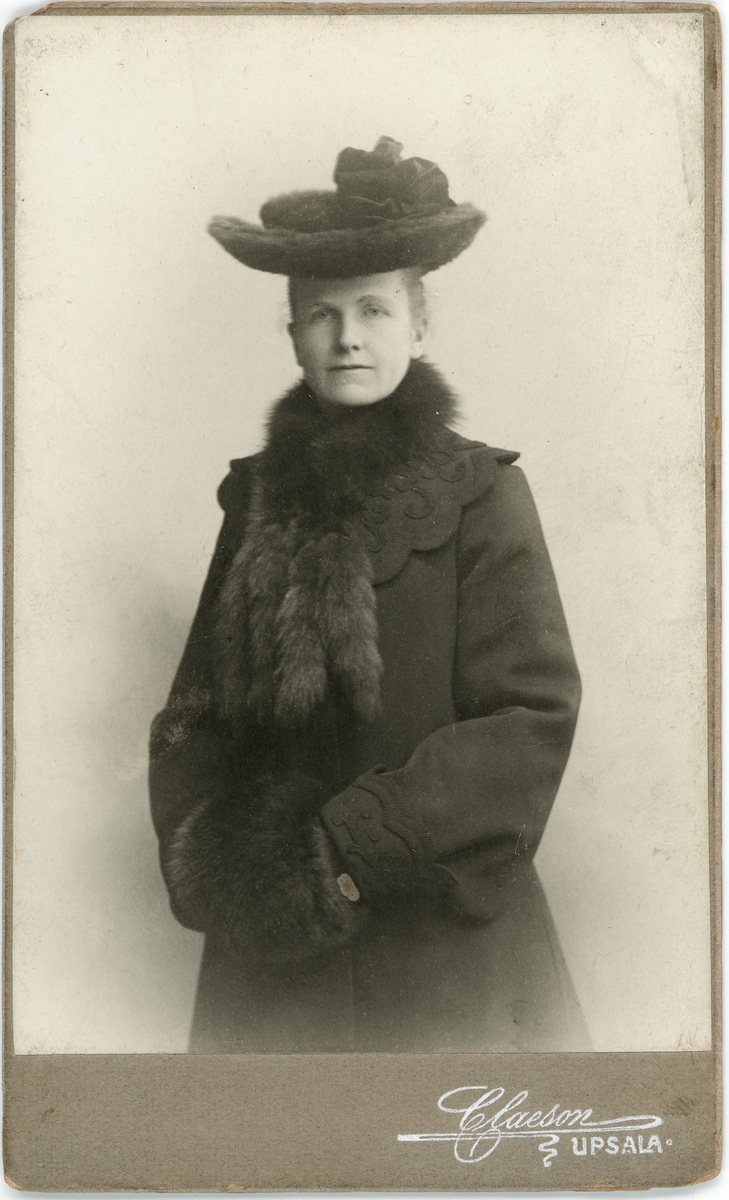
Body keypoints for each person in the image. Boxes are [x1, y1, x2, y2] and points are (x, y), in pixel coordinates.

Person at [149, 137, 590, 1053]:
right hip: (273, 947)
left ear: (418, 326)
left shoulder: (481, 494)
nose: (347, 336)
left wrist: (347, 853)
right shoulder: (254, 498)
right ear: (292, 333)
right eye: (321, 313)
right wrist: (224, 861)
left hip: (447, 954)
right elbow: (196, 714)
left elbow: (528, 718)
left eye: (374, 309)